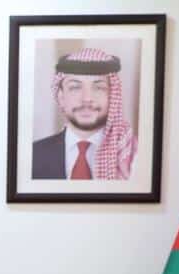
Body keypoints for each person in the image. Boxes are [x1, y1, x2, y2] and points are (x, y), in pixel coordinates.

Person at [32, 48, 137, 181]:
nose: (87, 98)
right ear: (61, 97)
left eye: (98, 88)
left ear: (112, 96)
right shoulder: (32, 155)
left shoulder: (133, 155)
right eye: (75, 87)